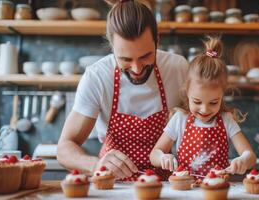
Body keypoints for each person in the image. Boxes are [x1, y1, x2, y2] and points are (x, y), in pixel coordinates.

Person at [57, 0, 188, 181]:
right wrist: (96, 165)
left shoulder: (178, 68)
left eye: (145, 56)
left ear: (157, 41)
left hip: (164, 184)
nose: (137, 69)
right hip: (111, 183)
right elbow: (64, 148)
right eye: (125, 59)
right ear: (112, 47)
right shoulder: (97, 77)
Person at [150, 36, 256, 176]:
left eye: (213, 102)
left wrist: (243, 160)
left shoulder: (227, 120)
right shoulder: (180, 119)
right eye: (197, 102)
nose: (205, 110)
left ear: (222, 95)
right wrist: (163, 157)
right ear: (187, 92)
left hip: (217, 190)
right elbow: (154, 155)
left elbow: (251, 157)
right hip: (186, 190)